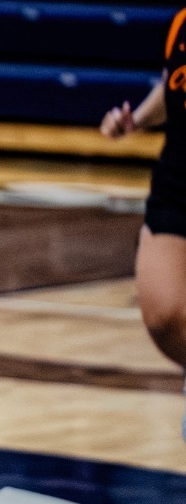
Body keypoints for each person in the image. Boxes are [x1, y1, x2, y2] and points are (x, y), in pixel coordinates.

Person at [102, 14, 186, 378]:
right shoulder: (182, 23)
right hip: (179, 180)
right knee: (164, 317)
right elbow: (173, 86)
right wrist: (135, 120)